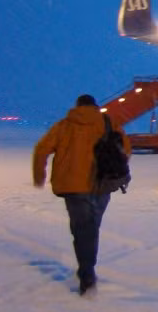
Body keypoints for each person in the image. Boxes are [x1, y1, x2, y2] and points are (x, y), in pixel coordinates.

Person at [32, 94, 130, 296]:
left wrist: (39, 175)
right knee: (91, 227)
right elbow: (126, 149)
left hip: (73, 186)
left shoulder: (64, 126)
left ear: (77, 107)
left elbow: (41, 149)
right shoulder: (108, 124)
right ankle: (87, 268)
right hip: (102, 184)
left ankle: (86, 273)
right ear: (95, 106)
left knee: (82, 230)